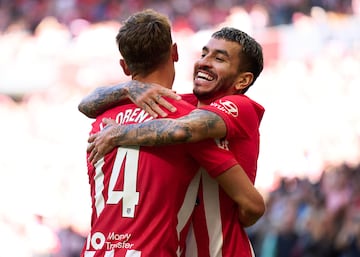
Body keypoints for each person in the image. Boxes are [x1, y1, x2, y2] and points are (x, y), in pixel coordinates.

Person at [80, 9, 265, 257]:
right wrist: (128, 87)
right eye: (203, 53)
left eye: (219, 59)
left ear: (243, 81)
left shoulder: (238, 107)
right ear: (175, 53)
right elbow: (85, 104)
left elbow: (253, 205)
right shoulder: (180, 107)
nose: (204, 61)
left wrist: (118, 133)